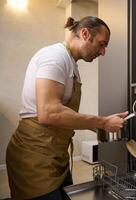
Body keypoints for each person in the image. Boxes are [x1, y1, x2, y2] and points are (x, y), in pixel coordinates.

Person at [6, 16, 128, 199]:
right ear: (85, 33)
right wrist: (102, 122)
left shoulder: (70, 63)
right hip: (34, 156)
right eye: (102, 44)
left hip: (56, 155)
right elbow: (49, 112)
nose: (103, 52)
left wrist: (102, 125)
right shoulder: (55, 57)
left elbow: (64, 114)